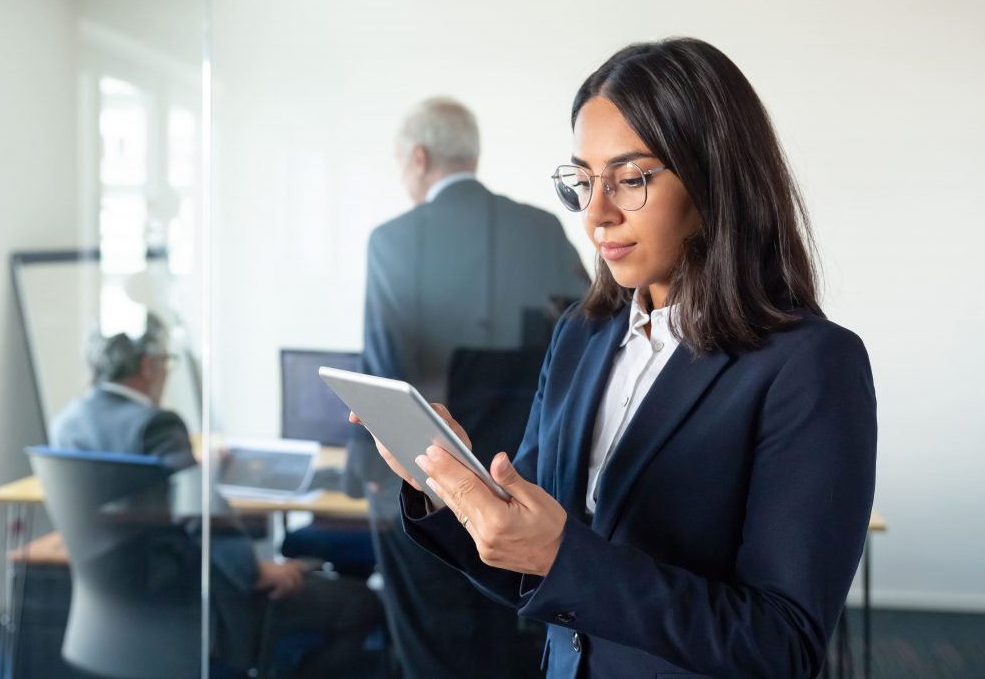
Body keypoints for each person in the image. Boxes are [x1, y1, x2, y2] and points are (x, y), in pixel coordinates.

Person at [359, 39, 877, 678]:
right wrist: (449, 490)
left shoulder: (810, 365)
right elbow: (531, 573)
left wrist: (563, 558)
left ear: (713, 176)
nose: (596, 215)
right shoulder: (581, 335)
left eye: (630, 179)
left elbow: (781, 645)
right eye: (583, 181)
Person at [344, 97, 589, 677]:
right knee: (503, 641)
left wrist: (364, 479)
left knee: (428, 650)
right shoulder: (543, 228)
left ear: (420, 157)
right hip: (523, 487)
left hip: (426, 484)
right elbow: (584, 343)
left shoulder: (393, 241)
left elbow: (383, 369)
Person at [51, 313, 381, 678]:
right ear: (148, 365)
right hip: (197, 603)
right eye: (166, 362)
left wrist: (195, 468)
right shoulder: (156, 425)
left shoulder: (68, 421)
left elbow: (136, 491)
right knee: (362, 604)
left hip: (115, 603)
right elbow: (199, 512)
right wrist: (254, 570)